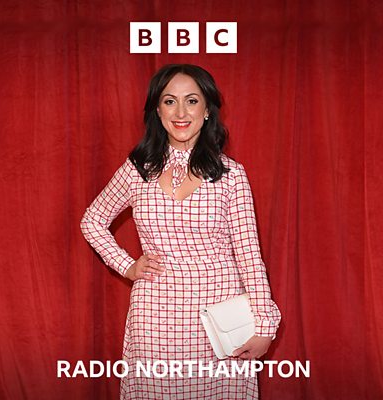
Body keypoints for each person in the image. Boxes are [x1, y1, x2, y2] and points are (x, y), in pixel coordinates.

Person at [80, 64, 281, 399]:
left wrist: (264, 325)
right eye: (169, 101)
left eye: (192, 100)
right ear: (157, 111)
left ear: (207, 110)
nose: (181, 112)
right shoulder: (137, 171)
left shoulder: (231, 175)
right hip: (154, 318)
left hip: (218, 320)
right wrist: (127, 266)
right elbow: (93, 220)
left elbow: (249, 255)